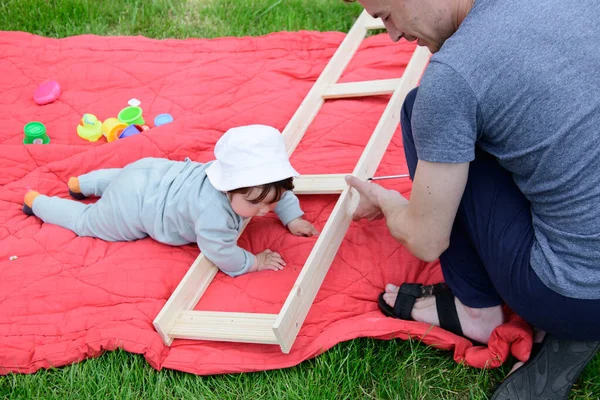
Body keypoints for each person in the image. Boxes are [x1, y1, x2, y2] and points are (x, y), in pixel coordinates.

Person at [343, 0, 600, 398]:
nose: (392, 35)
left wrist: (389, 202)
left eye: (384, 16)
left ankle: (476, 311)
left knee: (420, 108)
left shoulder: (453, 78)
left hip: (578, 296)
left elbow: (427, 241)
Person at [22, 124, 319, 277]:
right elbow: (220, 252)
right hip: (135, 207)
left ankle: (81, 183)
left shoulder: (245, 182)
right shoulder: (214, 216)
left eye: (272, 201)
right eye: (257, 205)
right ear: (229, 189)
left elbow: (275, 190)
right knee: (87, 221)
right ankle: (38, 202)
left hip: (151, 171)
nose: (266, 210)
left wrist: (291, 215)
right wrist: (254, 262)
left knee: (121, 177)